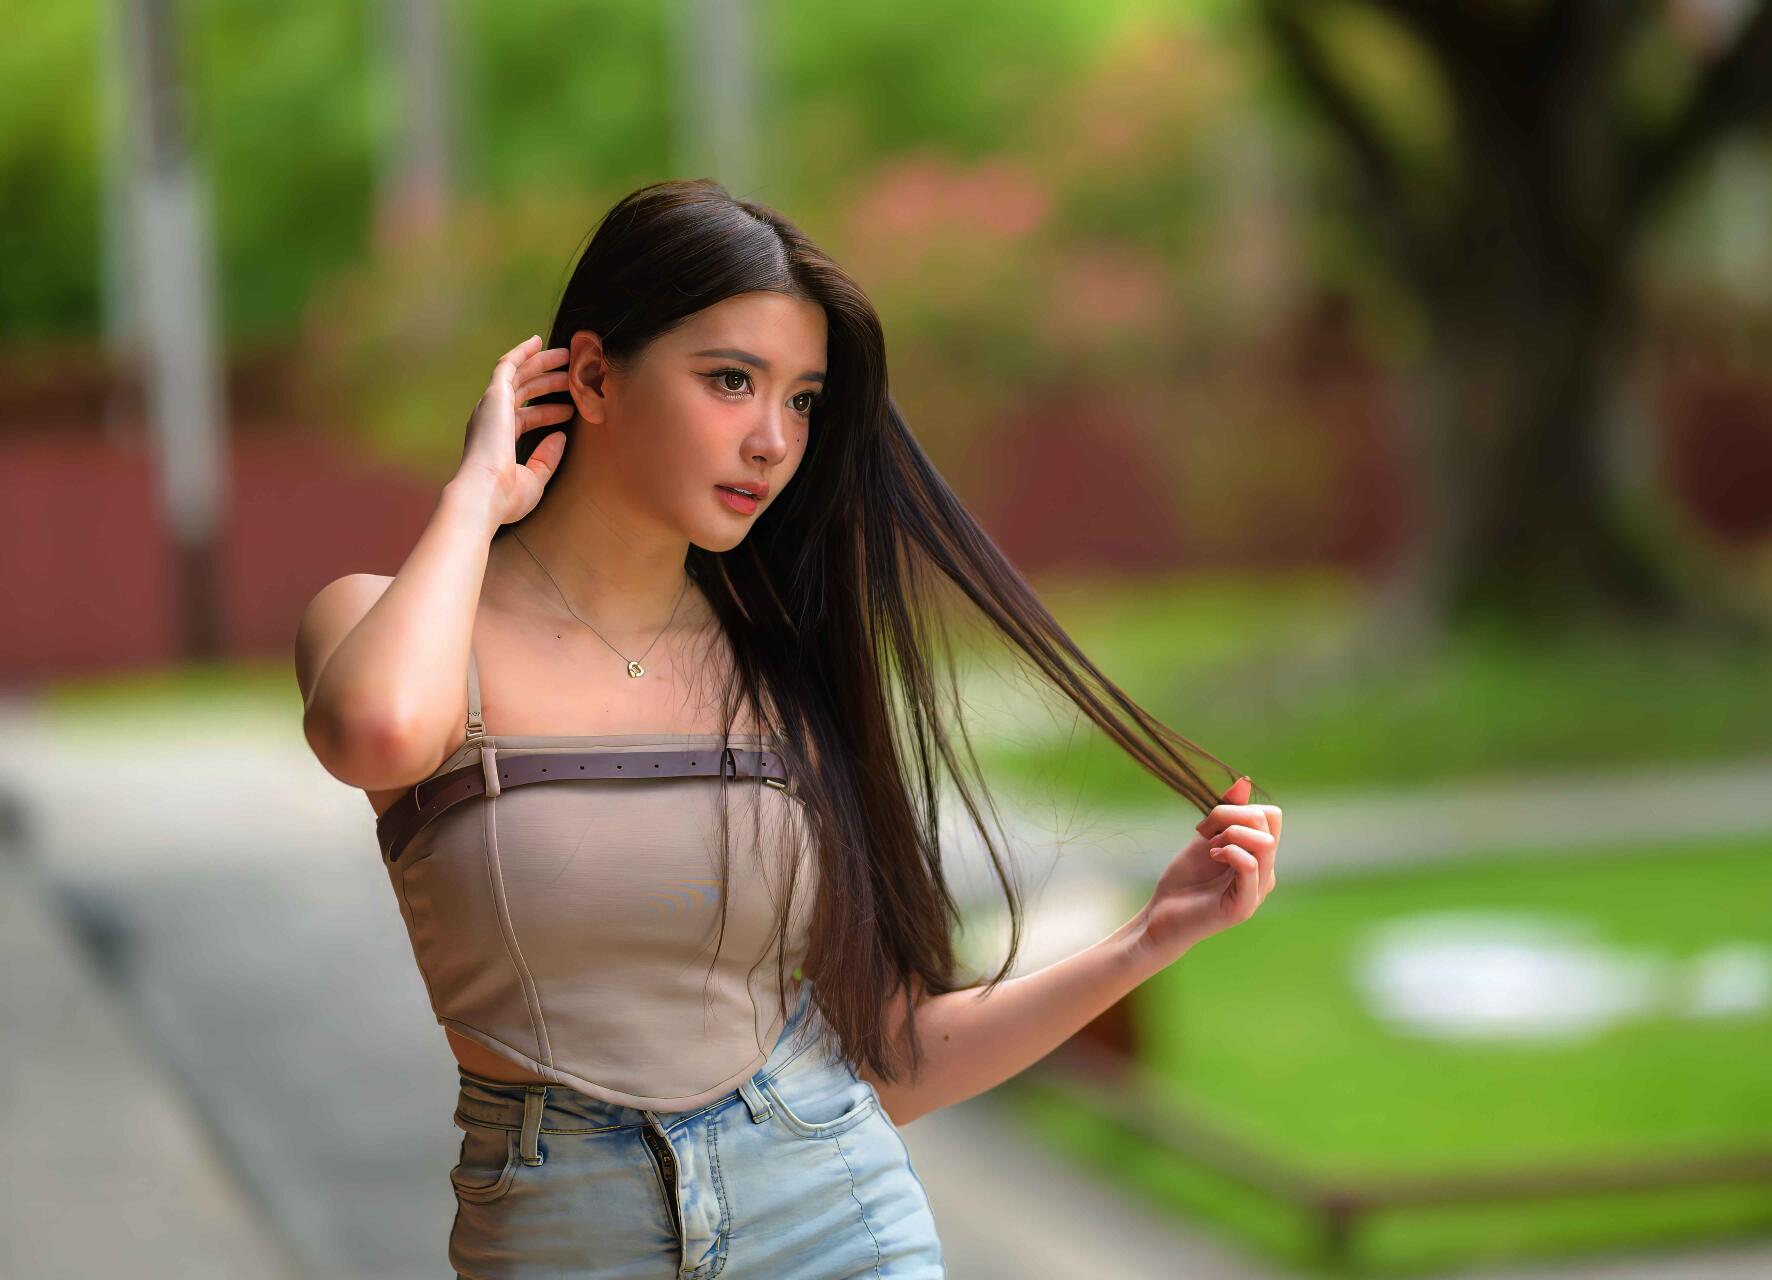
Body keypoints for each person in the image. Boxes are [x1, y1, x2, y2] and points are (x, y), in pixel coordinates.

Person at [293, 177, 1284, 1279]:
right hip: (563, 1235)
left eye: (803, 400)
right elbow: (377, 734)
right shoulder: (380, 622)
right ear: (590, 375)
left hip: (833, 1216)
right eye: (731, 381)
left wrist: (1150, 938)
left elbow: (890, 1058)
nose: (773, 439)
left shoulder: (782, 669)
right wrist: (475, 496)